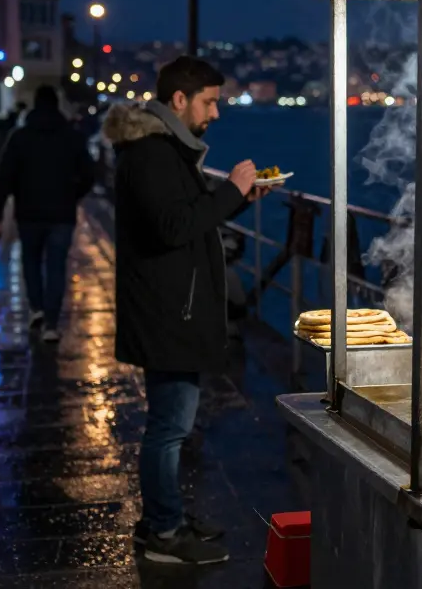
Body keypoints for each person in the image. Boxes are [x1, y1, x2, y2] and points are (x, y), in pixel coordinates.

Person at [102, 56, 264, 565]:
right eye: (209, 101)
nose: (215, 113)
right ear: (179, 100)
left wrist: (235, 200)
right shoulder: (152, 153)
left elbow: (184, 217)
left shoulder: (164, 150)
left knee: (171, 425)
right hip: (167, 312)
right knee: (168, 427)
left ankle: (162, 516)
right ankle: (164, 535)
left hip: (172, 308)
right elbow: (173, 228)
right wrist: (229, 191)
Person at [0, 86, 95, 343]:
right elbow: (90, 173)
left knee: (31, 261)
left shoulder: (20, 137)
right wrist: (74, 194)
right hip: (61, 212)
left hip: (29, 211)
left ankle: (36, 307)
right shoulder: (72, 137)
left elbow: (5, 177)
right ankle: (51, 322)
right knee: (56, 266)